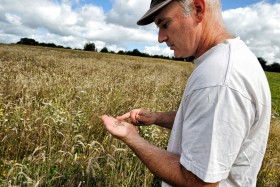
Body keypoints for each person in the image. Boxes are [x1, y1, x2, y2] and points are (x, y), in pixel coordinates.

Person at [101, 0, 271, 186]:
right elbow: (207, 123)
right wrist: (156, 118)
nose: (160, 38)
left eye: (165, 24)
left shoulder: (219, 79)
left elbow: (198, 182)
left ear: (198, 9)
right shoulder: (229, 61)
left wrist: (133, 138)